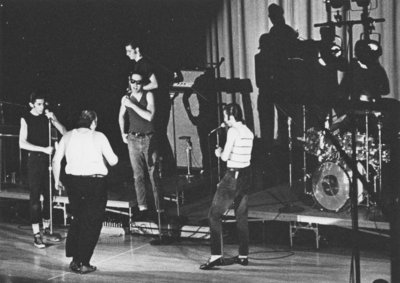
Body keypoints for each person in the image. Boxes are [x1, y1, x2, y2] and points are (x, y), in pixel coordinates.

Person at [52, 110, 118, 274]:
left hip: (73, 183)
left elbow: (56, 160)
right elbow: (113, 160)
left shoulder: (67, 136)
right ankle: (84, 262)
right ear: (93, 123)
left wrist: (56, 180)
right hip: (95, 183)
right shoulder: (99, 136)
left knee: (78, 219)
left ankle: (75, 259)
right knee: (92, 223)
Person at [200, 103, 254, 270]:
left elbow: (224, 157)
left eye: (225, 116)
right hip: (245, 176)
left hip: (232, 176)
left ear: (231, 116)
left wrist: (219, 152)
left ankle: (216, 256)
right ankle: (243, 255)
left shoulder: (233, 131)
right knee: (241, 216)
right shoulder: (248, 131)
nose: (224, 120)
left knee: (214, 215)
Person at [19, 91, 67, 249]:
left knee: (49, 196)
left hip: (48, 161)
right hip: (35, 160)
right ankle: (36, 235)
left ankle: (46, 230)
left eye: (43, 104)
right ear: (31, 104)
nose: (41, 107)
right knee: (35, 199)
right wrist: (42, 149)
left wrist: (54, 119)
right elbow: (22, 143)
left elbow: (64, 132)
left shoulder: (47, 117)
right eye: (38, 104)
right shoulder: (25, 119)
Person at [118, 71, 165, 225]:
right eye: (133, 82)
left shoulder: (148, 95)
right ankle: (143, 208)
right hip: (133, 138)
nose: (135, 85)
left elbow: (149, 116)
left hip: (149, 137)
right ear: (129, 81)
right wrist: (122, 133)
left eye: (138, 82)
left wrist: (132, 105)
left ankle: (159, 210)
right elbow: (121, 116)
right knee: (137, 175)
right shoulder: (125, 98)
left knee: (153, 173)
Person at [125, 39, 176, 177]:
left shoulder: (144, 64)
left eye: (129, 51)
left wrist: (137, 90)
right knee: (158, 136)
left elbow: (155, 84)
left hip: (159, 106)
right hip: (157, 104)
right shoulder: (139, 64)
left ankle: (168, 170)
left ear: (137, 50)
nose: (127, 54)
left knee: (158, 135)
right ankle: (163, 170)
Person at [183, 68, 219, 175]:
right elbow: (185, 97)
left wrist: (190, 115)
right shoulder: (204, 80)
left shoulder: (200, 80)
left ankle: (209, 171)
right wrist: (190, 115)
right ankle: (209, 172)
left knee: (207, 146)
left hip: (206, 118)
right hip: (208, 118)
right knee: (210, 146)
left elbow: (185, 97)